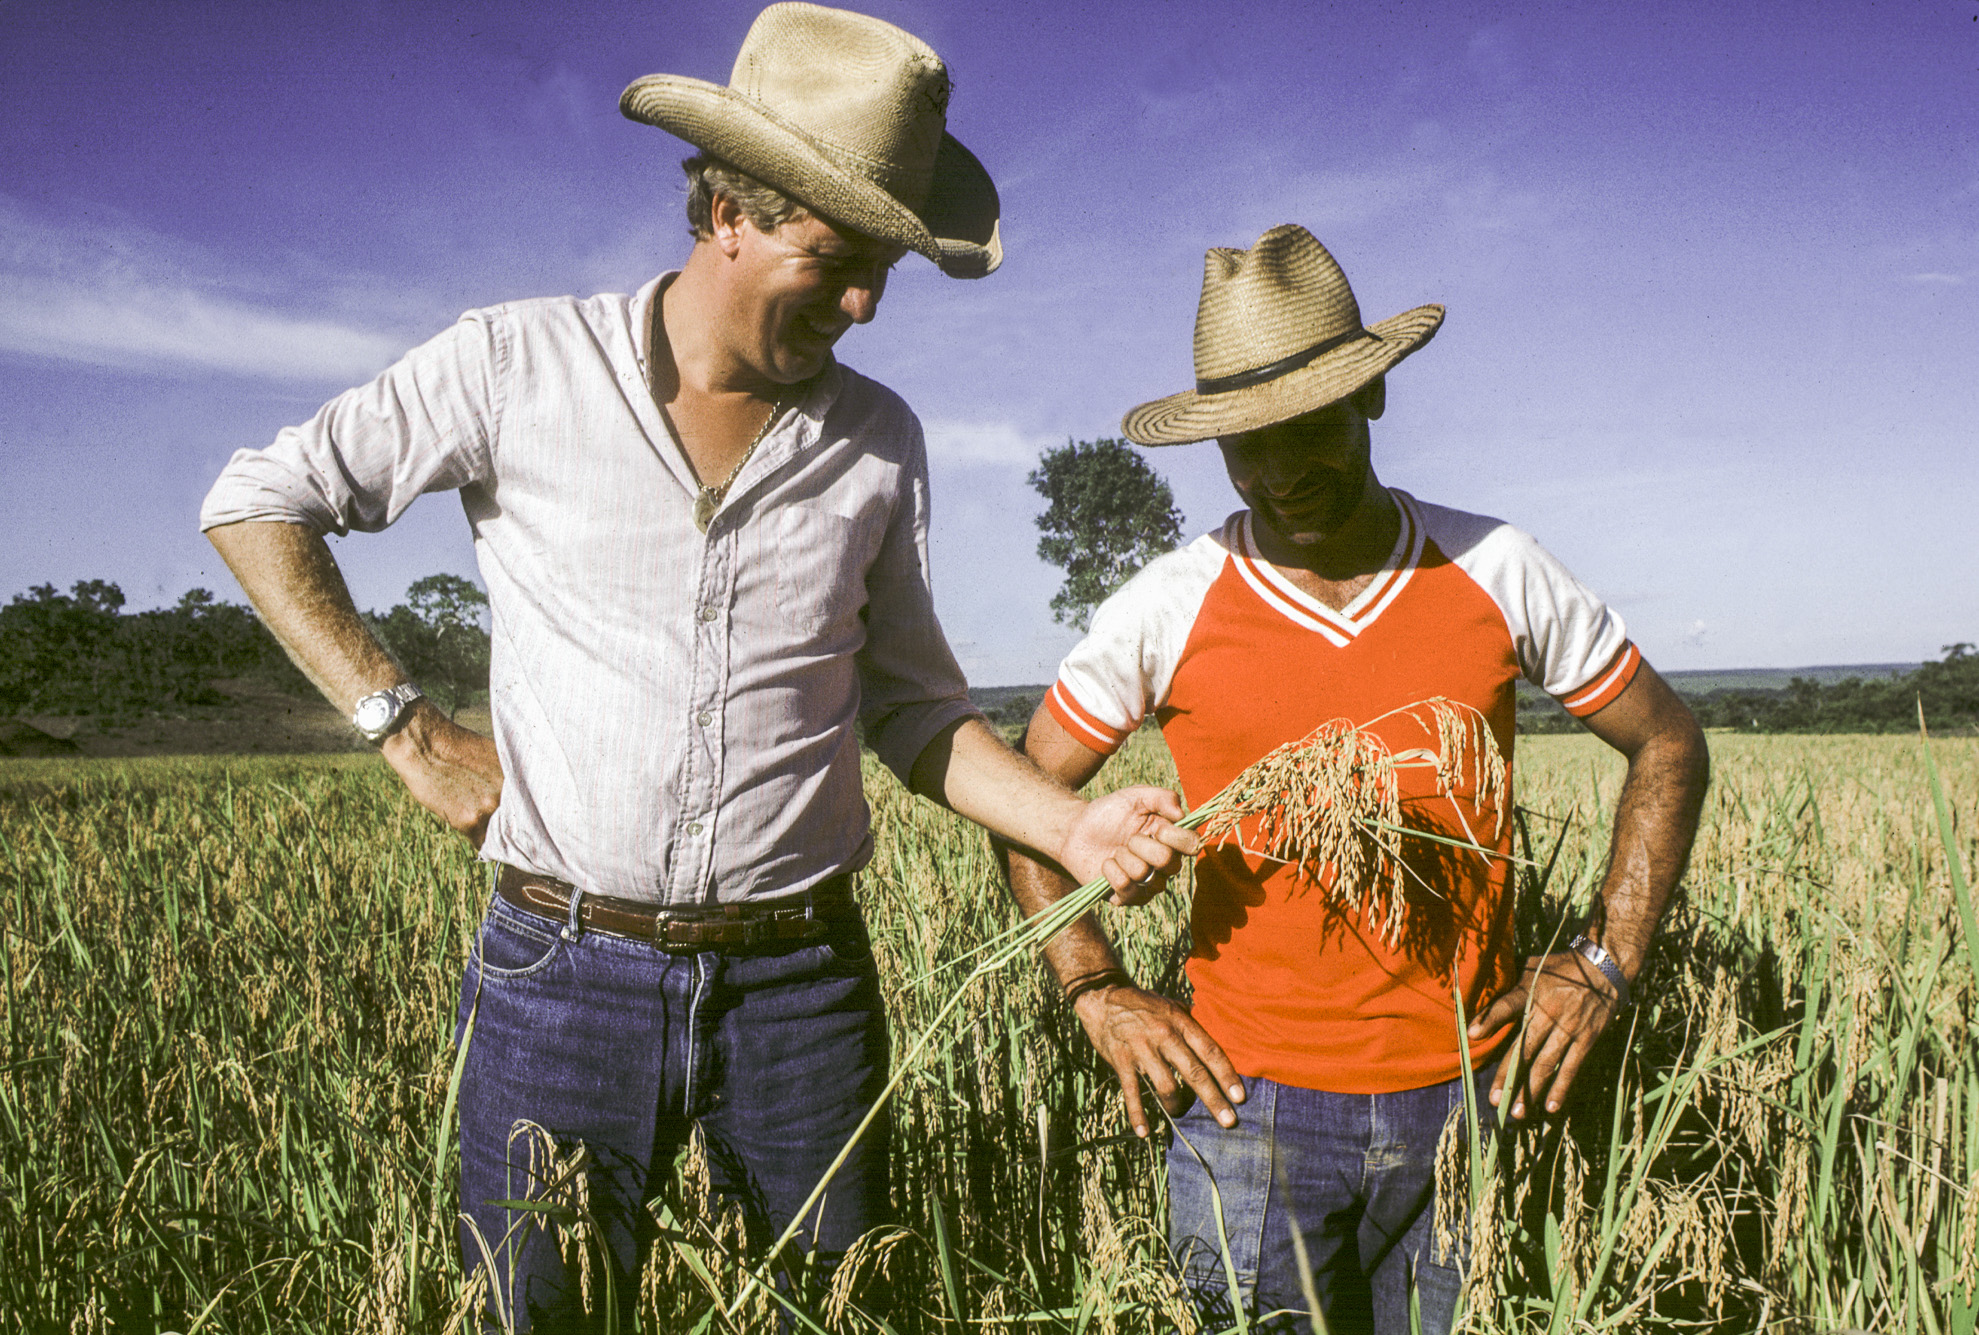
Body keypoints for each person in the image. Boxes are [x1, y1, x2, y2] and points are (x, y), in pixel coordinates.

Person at [199, 5, 1196, 1327]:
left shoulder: (877, 439)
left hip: (802, 988)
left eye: (880, 275)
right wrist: (401, 722)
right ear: (726, 207)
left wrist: (1068, 820)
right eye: (832, 257)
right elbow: (258, 498)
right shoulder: (516, 364)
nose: (856, 305)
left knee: (843, 1307)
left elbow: (910, 708)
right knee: (536, 1311)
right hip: (560, 972)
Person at [1003, 224, 1710, 1334]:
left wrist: (1603, 958)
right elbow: (1027, 791)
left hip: (1469, 1100)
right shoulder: (1168, 602)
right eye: (1244, 444)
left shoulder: (1492, 567)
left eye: (1306, 427)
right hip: (1244, 1114)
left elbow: (1666, 740)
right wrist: (1097, 986)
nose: (1281, 472)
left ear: (1369, 398)